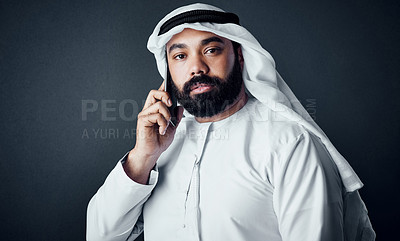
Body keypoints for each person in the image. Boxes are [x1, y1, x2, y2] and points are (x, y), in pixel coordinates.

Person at [87, 3, 375, 241]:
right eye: (180, 56)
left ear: (239, 55)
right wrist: (142, 157)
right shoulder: (158, 146)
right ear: (168, 70)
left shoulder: (289, 142)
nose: (196, 67)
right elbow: (100, 236)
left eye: (211, 50)